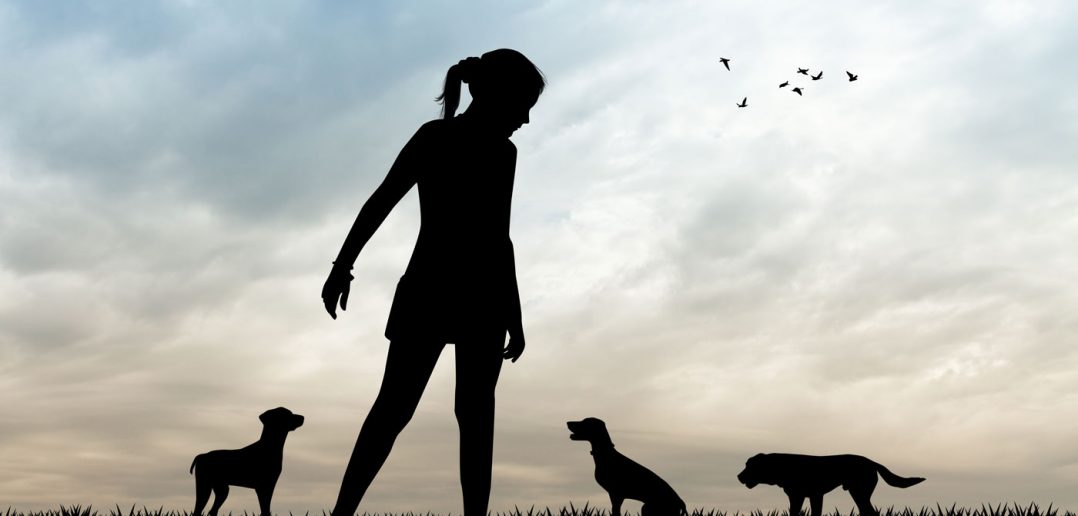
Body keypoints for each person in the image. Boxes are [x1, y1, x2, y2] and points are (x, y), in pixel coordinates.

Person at [321, 48, 545, 516]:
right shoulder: (437, 138)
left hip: (470, 297)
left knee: (470, 415)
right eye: (523, 105)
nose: (525, 119)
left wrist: (515, 311)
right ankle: (342, 513)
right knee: (399, 410)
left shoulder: (502, 152)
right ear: (497, 95)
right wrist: (343, 265)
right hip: (436, 291)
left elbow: (497, 237)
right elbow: (382, 200)